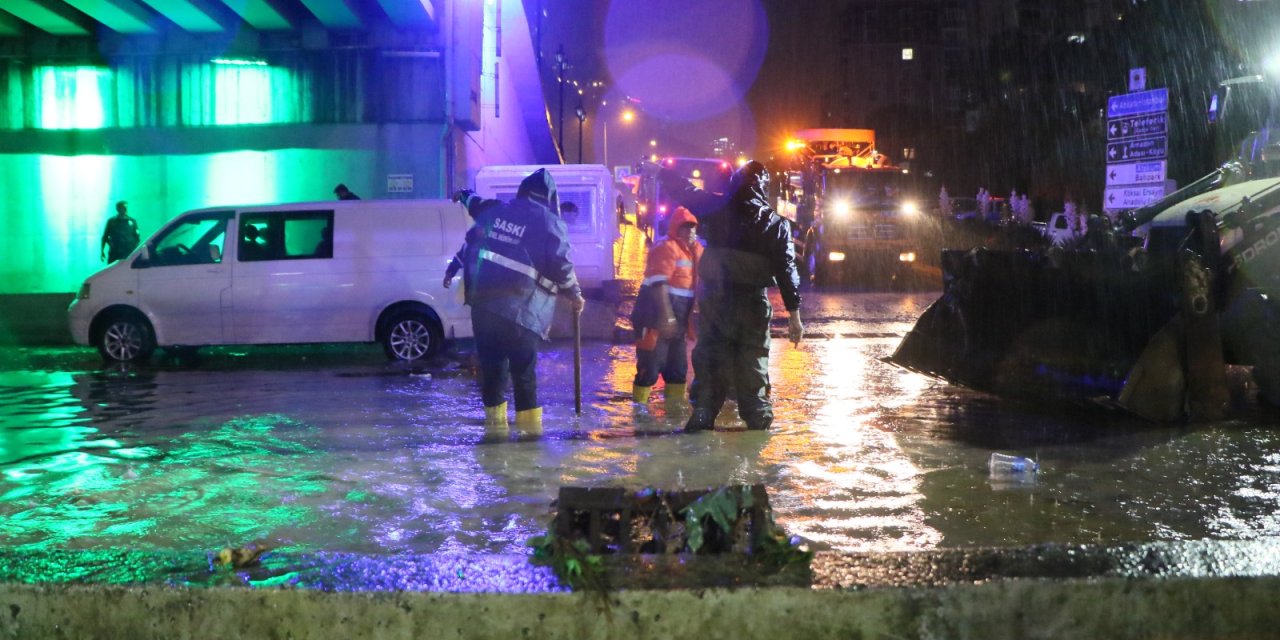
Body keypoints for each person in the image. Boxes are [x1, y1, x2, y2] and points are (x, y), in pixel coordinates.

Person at [659, 160, 803, 432]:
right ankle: (757, 417)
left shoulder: (716, 209)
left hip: (716, 300)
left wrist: (661, 172)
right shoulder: (776, 225)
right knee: (753, 358)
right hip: (752, 303)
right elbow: (787, 271)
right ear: (764, 188)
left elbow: (685, 190)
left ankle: (703, 412)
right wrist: (794, 316)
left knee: (712, 353)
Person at [451, 169, 586, 437]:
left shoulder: (495, 210)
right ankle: (529, 445)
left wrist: (462, 194)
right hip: (521, 312)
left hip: (484, 309)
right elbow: (562, 266)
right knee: (523, 376)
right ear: (549, 198)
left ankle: (494, 437)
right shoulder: (550, 223)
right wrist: (575, 294)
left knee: (492, 373)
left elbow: (473, 203)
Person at [630, 206, 703, 405]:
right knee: (649, 368)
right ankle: (639, 414)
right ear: (675, 228)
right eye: (685, 227)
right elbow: (658, 284)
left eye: (693, 228)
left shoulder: (695, 251)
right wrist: (667, 316)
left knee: (677, 372)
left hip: (677, 322)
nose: (690, 232)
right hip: (653, 319)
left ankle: (674, 416)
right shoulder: (666, 247)